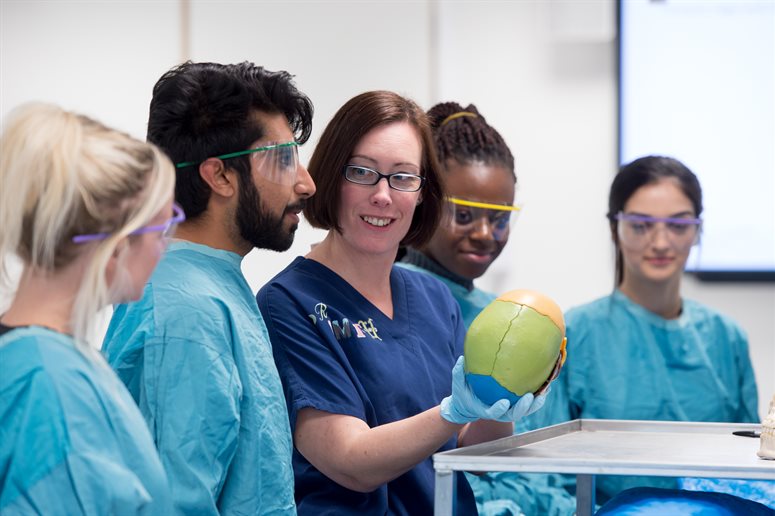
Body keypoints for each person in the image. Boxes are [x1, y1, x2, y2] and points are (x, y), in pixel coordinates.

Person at [257, 90, 546, 516]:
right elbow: (349, 461)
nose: (383, 195)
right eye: (362, 172)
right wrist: (453, 411)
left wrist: (501, 405)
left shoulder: (434, 299)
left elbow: (473, 451)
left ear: (423, 193)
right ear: (331, 176)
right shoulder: (290, 303)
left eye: (403, 177)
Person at [101, 61, 315, 515]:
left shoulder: (213, 285)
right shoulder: (187, 312)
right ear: (219, 176)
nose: (306, 183)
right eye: (283, 158)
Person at [538, 155, 760, 504]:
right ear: (615, 229)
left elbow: (750, 466)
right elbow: (544, 476)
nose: (660, 242)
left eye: (678, 225)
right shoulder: (574, 334)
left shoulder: (726, 338)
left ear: (697, 230)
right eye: (641, 224)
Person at [398, 102, 576, 516]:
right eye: (463, 215)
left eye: (499, 220)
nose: (483, 234)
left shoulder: (503, 314)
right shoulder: (395, 300)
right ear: (425, 202)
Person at [0, 102, 177, 514]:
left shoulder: (40, 360)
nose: (164, 249)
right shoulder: (50, 384)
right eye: (161, 230)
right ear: (115, 250)